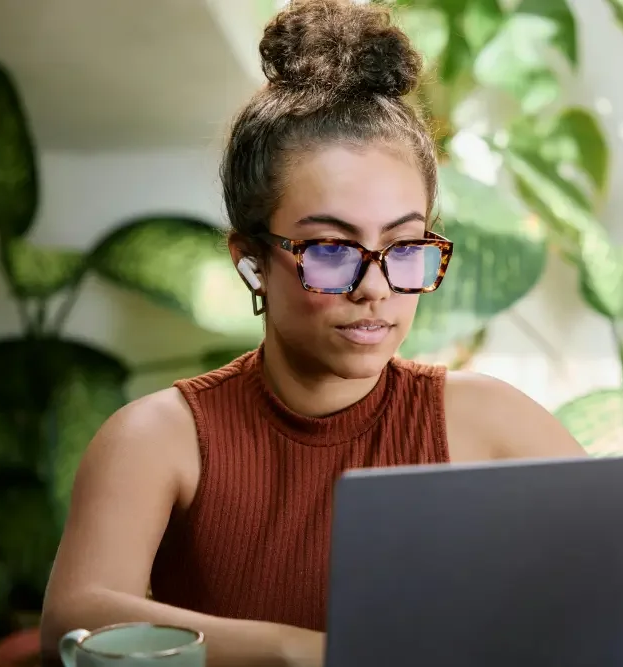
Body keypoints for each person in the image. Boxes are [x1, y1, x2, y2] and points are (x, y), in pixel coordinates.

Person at [37, 1, 587, 665]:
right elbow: (73, 619)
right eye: (332, 248)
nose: (376, 287)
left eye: (405, 246)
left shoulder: (489, 421)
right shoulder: (160, 438)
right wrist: (297, 650)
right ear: (253, 261)